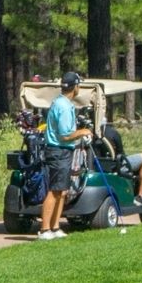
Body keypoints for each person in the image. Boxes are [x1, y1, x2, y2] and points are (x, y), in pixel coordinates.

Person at [35, 71, 88, 240]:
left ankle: (55, 227)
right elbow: (65, 135)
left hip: (62, 151)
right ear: (76, 87)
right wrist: (83, 132)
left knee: (62, 191)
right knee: (55, 190)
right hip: (59, 151)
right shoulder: (64, 106)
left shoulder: (61, 102)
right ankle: (44, 230)